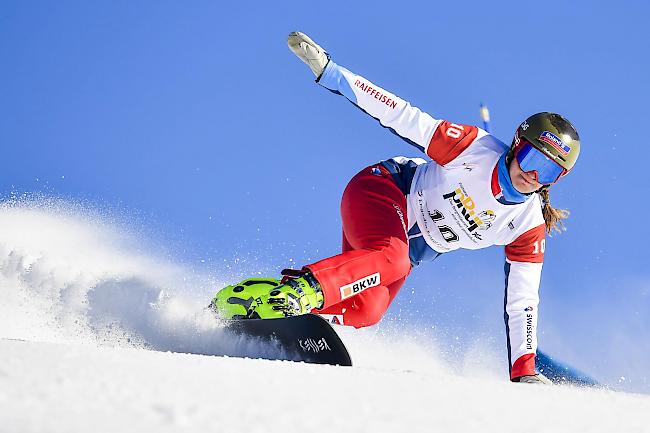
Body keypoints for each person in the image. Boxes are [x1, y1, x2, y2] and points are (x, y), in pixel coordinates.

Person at [211, 32, 581, 384]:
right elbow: (402, 116)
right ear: (517, 144)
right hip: (382, 191)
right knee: (393, 258)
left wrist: (523, 371)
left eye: (549, 171)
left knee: (367, 310)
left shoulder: (527, 225)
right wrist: (333, 74)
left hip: (396, 248)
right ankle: (301, 293)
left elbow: (523, 301)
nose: (534, 175)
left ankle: (259, 299)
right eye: (533, 158)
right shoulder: (473, 149)